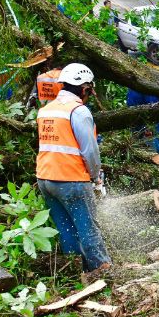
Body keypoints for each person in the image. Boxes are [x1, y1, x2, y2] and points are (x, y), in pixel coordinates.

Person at [36, 63, 112, 276]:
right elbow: (90, 151)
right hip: (70, 179)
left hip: (45, 178)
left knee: (66, 228)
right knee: (88, 228)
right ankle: (102, 272)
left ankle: (75, 273)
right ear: (85, 88)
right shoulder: (78, 112)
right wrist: (96, 176)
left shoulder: (46, 110)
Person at [125, 87, 159, 163]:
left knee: (154, 151)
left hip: (149, 125)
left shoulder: (147, 83)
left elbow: (154, 106)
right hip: (136, 124)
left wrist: (150, 127)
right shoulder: (133, 84)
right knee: (139, 152)